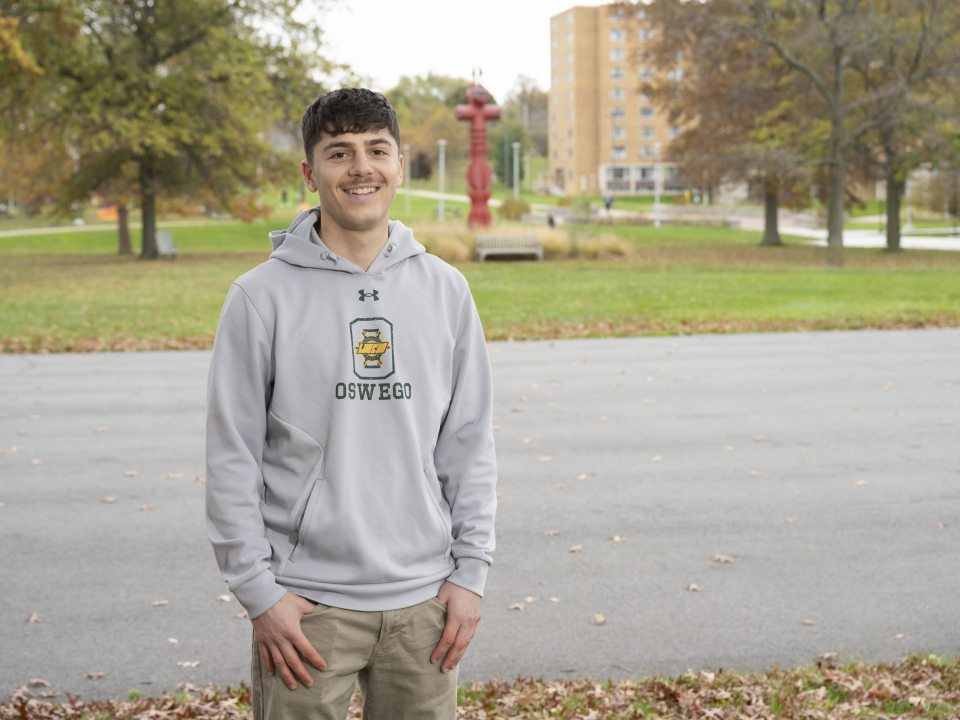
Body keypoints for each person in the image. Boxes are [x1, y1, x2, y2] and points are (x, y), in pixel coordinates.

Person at [204, 87, 497, 720]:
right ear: (310, 173)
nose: (361, 167)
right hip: (308, 608)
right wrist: (259, 594)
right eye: (340, 153)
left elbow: (469, 443)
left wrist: (470, 573)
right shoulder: (261, 296)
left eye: (376, 149)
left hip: (426, 606)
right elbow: (232, 454)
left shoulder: (446, 290)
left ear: (399, 163)